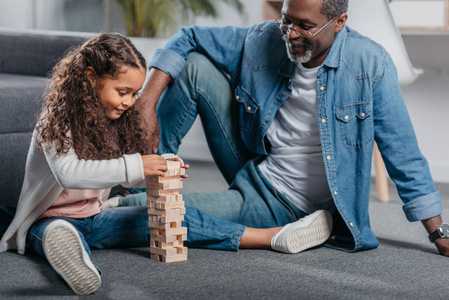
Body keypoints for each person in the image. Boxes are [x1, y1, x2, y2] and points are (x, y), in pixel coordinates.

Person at [0, 32, 336, 296]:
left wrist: (159, 169)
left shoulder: (116, 117)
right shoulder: (56, 119)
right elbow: (68, 173)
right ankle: (78, 261)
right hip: (50, 217)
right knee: (54, 231)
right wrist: (137, 165)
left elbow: (128, 178)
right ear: (90, 78)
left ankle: (273, 237)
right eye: (122, 92)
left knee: (178, 216)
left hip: (95, 218)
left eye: (135, 93)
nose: (130, 102)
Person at [134, 0, 449, 257]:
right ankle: (135, 181)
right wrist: (147, 103)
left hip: (284, 201)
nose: (291, 34)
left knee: (141, 214)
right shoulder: (267, 37)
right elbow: (187, 35)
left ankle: (98, 213)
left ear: (339, 22)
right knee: (195, 68)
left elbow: (402, 153)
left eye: (305, 26)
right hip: (256, 164)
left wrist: (438, 232)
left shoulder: (370, 64)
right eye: (287, 21)